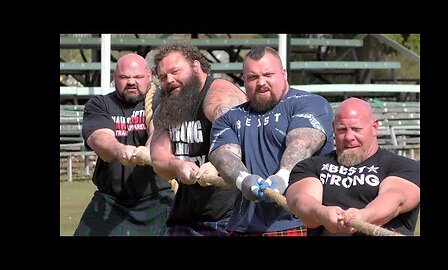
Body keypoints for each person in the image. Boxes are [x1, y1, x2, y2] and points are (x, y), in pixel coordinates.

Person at [208, 46, 334, 236]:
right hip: (244, 226)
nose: (261, 82)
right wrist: (243, 180)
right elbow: (223, 155)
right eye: (253, 77)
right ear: (244, 80)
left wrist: (283, 176)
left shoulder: (308, 102)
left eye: (268, 74)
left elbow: (302, 142)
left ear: (284, 74)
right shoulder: (229, 118)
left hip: (297, 222)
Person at [149, 42, 247, 236]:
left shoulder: (219, 94)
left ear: (196, 66)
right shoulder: (168, 105)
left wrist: (218, 164)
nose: (169, 80)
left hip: (228, 215)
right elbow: (158, 156)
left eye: (176, 71)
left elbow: (241, 135)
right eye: (163, 77)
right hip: (187, 215)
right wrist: (177, 166)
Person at [285, 97, 420, 236]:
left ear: (374, 127)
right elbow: (299, 200)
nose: (349, 137)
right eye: (342, 129)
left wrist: (364, 216)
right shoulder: (310, 166)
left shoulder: (403, 166)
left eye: (356, 129)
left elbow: (396, 198)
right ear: (333, 129)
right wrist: (322, 213)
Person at [74, 53, 175, 236]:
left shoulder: (164, 100)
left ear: (149, 76)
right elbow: (100, 139)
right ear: (114, 77)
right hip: (111, 200)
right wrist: (120, 150)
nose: (131, 82)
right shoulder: (100, 104)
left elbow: (159, 131)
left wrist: (147, 150)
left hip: (158, 198)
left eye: (137, 77)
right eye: (124, 77)